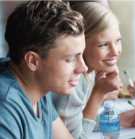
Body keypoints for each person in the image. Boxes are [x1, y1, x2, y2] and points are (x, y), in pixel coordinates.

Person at [51, 2, 135, 139]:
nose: (115, 51)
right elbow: (77, 137)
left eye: (117, 40)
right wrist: (99, 93)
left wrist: (117, 119)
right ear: (81, 44)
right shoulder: (73, 80)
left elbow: (75, 124)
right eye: (103, 44)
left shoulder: (92, 70)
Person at [0, 1, 86, 139]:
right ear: (33, 61)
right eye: (70, 59)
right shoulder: (5, 108)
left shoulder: (38, 85)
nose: (83, 68)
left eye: (81, 55)